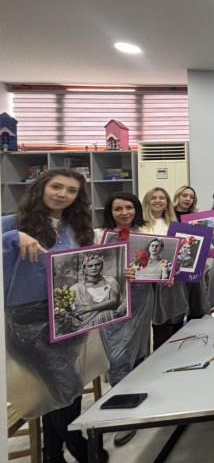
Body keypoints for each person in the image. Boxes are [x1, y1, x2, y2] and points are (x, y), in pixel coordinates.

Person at [2, 168, 107, 462]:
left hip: (68, 315)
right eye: (57, 187)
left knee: (57, 386)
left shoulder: (76, 228)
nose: (63, 194)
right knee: (66, 384)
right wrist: (13, 237)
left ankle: (51, 453)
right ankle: (79, 445)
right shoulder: (13, 223)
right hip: (26, 320)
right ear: (41, 187)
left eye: (71, 190)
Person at [94, 191, 151, 447]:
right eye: (118, 209)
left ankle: (134, 399)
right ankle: (121, 416)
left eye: (129, 207)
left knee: (137, 350)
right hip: (112, 301)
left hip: (142, 297)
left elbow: (155, 265)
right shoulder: (98, 235)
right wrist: (117, 272)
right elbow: (89, 268)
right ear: (110, 211)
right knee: (117, 356)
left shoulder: (146, 234)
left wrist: (165, 273)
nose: (124, 213)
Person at [142, 187, 190, 349]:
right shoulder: (141, 225)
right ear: (147, 201)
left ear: (167, 202)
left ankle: (177, 354)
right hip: (152, 281)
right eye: (153, 197)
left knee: (177, 319)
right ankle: (160, 357)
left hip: (175, 279)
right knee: (161, 325)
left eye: (162, 198)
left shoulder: (174, 224)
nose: (158, 201)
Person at [171, 185, 207, 316]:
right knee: (177, 301)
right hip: (174, 264)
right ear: (177, 196)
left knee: (194, 299)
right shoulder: (169, 215)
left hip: (193, 264)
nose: (188, 199)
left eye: (191, 197)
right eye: (184, 196)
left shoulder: (196, 217)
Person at [69, 252, 122, 330]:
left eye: (97, 264)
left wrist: (87, 308)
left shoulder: (110, 281)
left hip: (110, 320)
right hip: (87, 324)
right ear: (84, 268)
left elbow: (113, 301)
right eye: (90, 266)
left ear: (102, 265)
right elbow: (75, 312)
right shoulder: (76, 288)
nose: (94, 268)